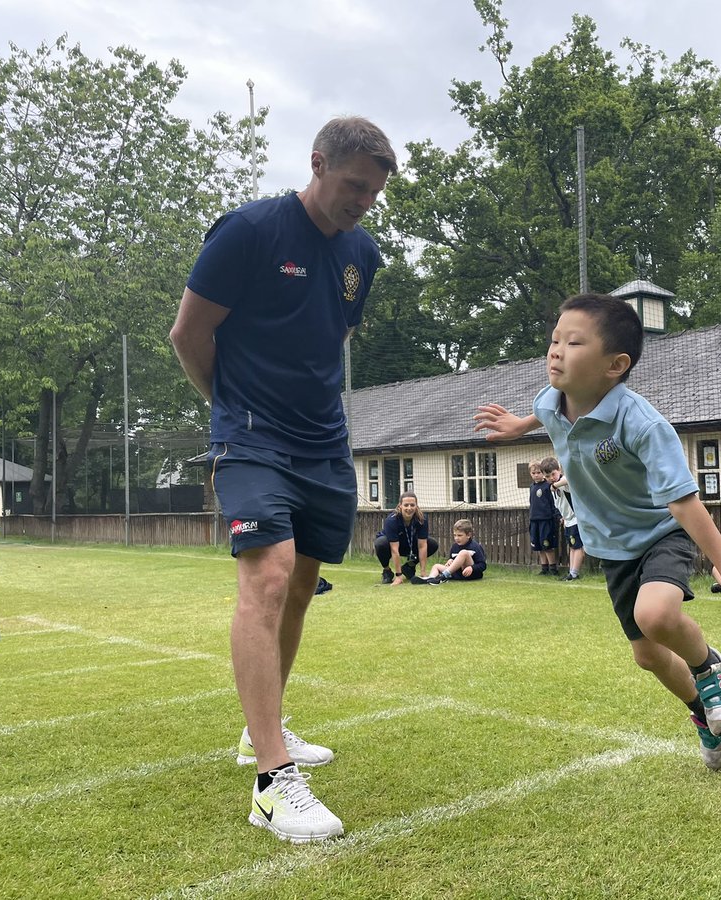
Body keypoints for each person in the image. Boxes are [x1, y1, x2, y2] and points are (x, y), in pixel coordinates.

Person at [170, 116, 397, 844]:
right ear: (318, 164)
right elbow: (188, 334)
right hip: (252, 438)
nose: (363, 201)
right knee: (265, 579)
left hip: (324, 444)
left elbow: (336, 334)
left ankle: (259, 729)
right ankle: (273, 781)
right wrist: (233, 410)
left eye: (374, 192)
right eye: (354, 185)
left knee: (302, 584)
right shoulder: (248, 232)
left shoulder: (363, 252)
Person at [474, 294, 721, 772]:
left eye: (573, 342)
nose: (555, 350)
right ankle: (704, 715)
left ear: (615, 365)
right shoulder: (551, 401)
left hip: (661, 532)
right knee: (648, 657)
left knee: (657, 614)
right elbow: (541, 411)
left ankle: (711, 668)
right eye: (555, 339)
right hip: (611, 548)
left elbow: (684, 501)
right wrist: (518, 426)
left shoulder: (641, 423)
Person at [373, 491, 438, 585]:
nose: (409, 508)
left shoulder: (422, 519)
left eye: (412, 505)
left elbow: (422, 546)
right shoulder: (392, 520)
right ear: (400, 506)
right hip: (392, 545)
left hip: (410, 545)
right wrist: (399, 576)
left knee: (432, 544)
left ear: (416, 506)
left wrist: (423, 574)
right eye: (406, 505)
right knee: (380, 543)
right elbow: (394, 549)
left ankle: (409, 567)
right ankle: (387, 571)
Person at [540, 456, 586, 581]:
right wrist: (564, 518)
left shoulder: (563, 482)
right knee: (572, 546)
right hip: (568, 520)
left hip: (576, 519)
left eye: (553, 474)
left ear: (559, 470)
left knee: (577, 547)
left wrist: (555, 485)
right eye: (548, 476)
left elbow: (569, 479)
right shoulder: (551, 488)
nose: (551, 478)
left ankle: (574, 574)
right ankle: (571, 572)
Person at [425, 519, 488, 584]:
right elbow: (452, 559)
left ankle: (443, 576)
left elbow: (482, 565)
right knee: (436, 566)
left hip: (470, 574)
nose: (456, 538)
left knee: (463, 552)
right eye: (455, 535)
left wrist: (472, 568)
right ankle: (430, 579)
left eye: (459, 535)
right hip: (456, 573)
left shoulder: (475, 546)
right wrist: (450, 561)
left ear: (468, 535)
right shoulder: (454, 547)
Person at [528, 459, 559, 576]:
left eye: (538, 473)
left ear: (543, 473)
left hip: (546, 520)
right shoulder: (532, 487)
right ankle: (544, 568)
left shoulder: (548, 486)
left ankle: (553, 569)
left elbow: (553, 502)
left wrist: (557, 516)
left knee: (547, 545)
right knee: (539, 546)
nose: (536, 475)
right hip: (534, 520)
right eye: (533, 473)